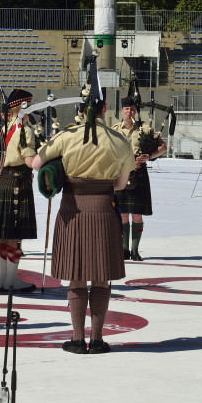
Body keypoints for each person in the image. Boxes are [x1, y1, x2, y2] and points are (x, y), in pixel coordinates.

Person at [29, 92, 134, 354]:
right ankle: (97, 340)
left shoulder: (66, 136)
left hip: (72, 208)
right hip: (103, 208)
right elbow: (120, 185)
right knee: (101, 278)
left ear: (81, 109)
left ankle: (77, 339)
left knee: (76, 277)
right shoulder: (120, 140)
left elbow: (36, 164)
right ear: (105, 109)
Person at [0, 88, 38, 293]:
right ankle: (12, 281)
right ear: (23, 106)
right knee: (15, 236)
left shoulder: (6, 128)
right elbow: (29, 161)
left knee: (3, 234)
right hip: (18, 183)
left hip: (3, 182)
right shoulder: (24, 130)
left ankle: (3, 280)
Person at [113, 94, 166, 261]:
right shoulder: (114, 130)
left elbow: (162, 147)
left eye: (132, 109)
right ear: (122, 111)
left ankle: (135, 250)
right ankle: (123, 250)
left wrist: (149, 156)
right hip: (121, 172)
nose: (129, 112)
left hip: (139, 173)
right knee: (122, 214)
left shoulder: (145, 129)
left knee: (136, 214)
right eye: (127, 109)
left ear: (136, 111)